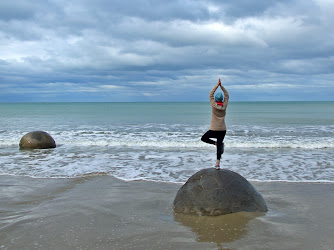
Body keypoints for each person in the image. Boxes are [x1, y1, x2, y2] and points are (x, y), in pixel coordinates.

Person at [201, 78, 229, 170]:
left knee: (204, 138)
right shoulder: (224, 106)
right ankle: (217, 163)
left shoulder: (214, 105)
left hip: (214, 129)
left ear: (216, 100)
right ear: (222, 99)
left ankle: (216, 143)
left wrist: (217, 85)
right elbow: (227, 95)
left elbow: (210, 94)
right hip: (222, 129)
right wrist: (222, 86)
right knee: (219, 146)